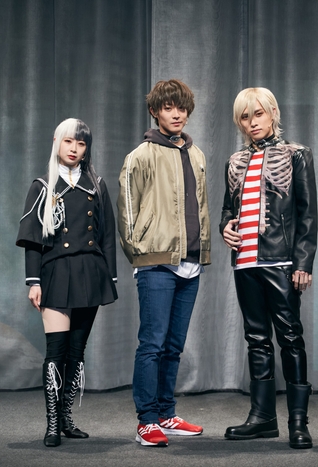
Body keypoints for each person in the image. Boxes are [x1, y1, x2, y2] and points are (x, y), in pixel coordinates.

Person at [220, 88, 318, 449]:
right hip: (245, 261)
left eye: (258, 114)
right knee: (256, 338)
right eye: (245, 117)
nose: (252, 123)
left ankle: (298, 422)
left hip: (281, 261)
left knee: (290, 336)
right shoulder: (234, 161)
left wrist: (303, 262)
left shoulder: (297, 155)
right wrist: (226, 227)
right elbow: (228, 208)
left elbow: (308, 213)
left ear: (273, 113)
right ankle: (262, 418)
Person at [117, 79, 211, 447]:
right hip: (156, 264)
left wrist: (201, 251)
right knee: (152, 345)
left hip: (190, 264)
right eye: (168, 108)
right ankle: (147, 420)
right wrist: (140, 253)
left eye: (182, 108)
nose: (176, 114)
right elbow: (127, 209)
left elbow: (200, 207)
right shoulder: (141, 155)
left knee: (174, 346)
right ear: (155, 111)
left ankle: (166, 414)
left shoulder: (197, 154)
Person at [16, 118, 118, 447]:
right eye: (69, 141)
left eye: (81, 143)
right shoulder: (43, 185)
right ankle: (52, 424)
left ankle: (66, 418)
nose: (74, 149)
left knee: (77, 351)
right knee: (56, 352)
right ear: (56, 142)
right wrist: (34, 282)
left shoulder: (96, 184)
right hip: (56, 273)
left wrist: (109, 277)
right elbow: (33, 240)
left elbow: (107, 235)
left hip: (90, 272)